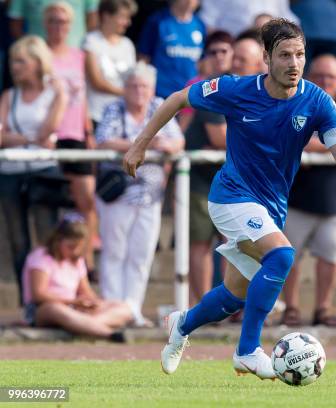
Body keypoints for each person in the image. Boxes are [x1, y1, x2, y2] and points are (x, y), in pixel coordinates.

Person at [123, 19, 336, 379]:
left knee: (235, 294)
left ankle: (183, 324)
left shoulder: (317, 101)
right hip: (231, 197)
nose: (294, 63)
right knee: (283, 255)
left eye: (299, 54)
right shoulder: (235, 89)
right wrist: (140, 143)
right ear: (266, 58)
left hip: (270, 208)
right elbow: (177, 99)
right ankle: (248, 350)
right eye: (285, 55)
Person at [282, 54, 336, 326]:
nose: (325, 82)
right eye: (319, 75)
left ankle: (323, 309)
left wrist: (322, 145)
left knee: (331, 259)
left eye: (331, 77)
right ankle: (291, 308)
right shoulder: (298, 98)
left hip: (333, 197)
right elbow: (297, 140)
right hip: (296, 195)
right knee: (288, 258)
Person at [96, 62, 184, 327]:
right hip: (118, 193)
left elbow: (177, 140)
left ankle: (132, 309)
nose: (138, 91)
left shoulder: (159, 105)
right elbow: (103, 140)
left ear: (152, 88)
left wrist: (164, 145)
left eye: (143, 86)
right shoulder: (114, 108)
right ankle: (112, 308)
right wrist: (145, 143)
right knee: (114, 250)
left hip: (150, 195)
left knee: (141, 253)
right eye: (133, 85)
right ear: (125, 88)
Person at [0, 35, 67, 297]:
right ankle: (26, 299)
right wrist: (30, 139)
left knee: (48, 236)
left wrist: (60, 94)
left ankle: (51, 296)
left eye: (21, 61)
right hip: (10, 173)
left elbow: (49, 129)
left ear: (38, 63)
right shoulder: (9, 95)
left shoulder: (54, 93)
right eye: (14, 61)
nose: (14, 67)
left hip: (43, 171)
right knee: (18, 240)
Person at [44, 1, 98, 274]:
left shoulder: (79, 55)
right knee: (50, 201)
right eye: (53, 20)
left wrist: (88, 130)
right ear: (45, 24)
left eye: (64, 21)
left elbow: (85, 95)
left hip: (75, 133)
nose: (58, 26)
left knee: (86, 200)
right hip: (48, 133)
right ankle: (54, 263)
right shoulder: (39, 52)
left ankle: (85, 261)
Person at [21, 213, 133, 339]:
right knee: (55, 309)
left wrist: (91, 303)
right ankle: (107, 333)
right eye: (70, 247)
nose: (75, 251)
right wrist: (72, 301)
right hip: (44, 308)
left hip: (73, 309)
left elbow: (85, 291)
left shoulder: (77, 261)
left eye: (79, 247)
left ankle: (84, 325)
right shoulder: (41, 256)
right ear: (58, 240)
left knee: (124, 308)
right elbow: (39, 295)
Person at [184, 30, 234, 306]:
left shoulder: (239, 86)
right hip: (201, 180)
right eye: (213, 52)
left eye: (224, 51)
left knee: (232, 246)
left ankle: (227, 307)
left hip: (230, 180)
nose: (218, 57)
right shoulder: (208, 89)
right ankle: (204, 306)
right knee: (201, 244)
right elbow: (220, 138)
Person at [84, 0, 138, 129]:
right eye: (123, 17)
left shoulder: (127, 44)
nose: (127, 22)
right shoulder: (91, 41)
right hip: (96, 114)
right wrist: (127, 92)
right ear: (106, 16)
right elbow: (96, 81)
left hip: (122, 116)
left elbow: (132, 79)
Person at [137, 0, 206, 98]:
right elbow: (143, 58)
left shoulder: (199, 25)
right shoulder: (158, 21)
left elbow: (202, 63)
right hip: (160, 94)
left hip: (189, 97)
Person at [8, 0, 99, 48]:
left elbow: (93, 20)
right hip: (37, 60)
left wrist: (85, 48)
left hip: (78, 54)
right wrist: (30, 49)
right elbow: (15, 26)